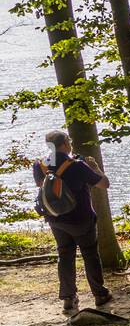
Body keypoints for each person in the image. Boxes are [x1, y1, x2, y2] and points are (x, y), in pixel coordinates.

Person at [32, 130, 112, 314]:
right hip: (81, 218)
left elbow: (40, 184)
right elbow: (104, 184)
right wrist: (95, 168)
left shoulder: (40, 165)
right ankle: (100, 294)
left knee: (65, 255)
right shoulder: (77, 165)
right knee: (90, 254)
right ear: (66, 144)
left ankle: (68, 298)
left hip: (55, 218)